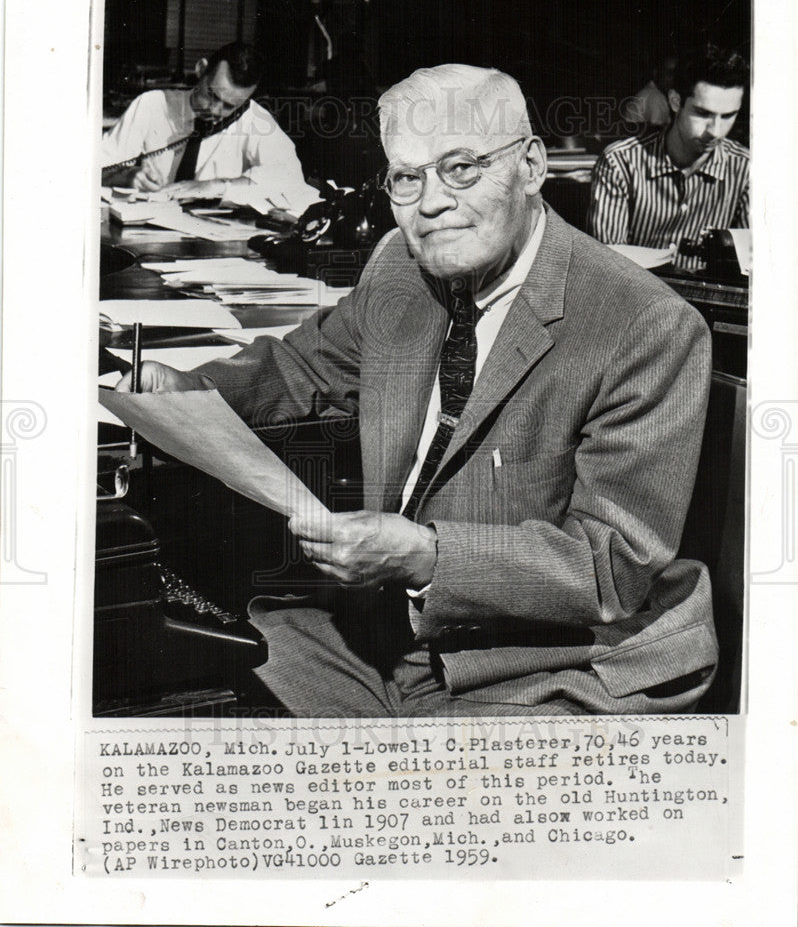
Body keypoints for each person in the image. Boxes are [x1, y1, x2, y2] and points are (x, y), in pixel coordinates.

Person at [118, 64, 717, 717]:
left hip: (559, 662)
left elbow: (613, 568)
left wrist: (425, 557)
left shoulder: (646, 325)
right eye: (407, 177)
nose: (430, 202)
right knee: (189, 682)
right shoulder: (401, 269)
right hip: (393, 638)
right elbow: (295, 373)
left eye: (460, 168)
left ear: (532, 166)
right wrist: (182, 389)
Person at [102, 42, 320, 217]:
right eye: (212, 95)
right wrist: (127, 175)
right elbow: (92, 168)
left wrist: (218, 186)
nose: (215, 110)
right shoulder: (152, 105)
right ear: (201, 69)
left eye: (229, 106)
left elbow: (291, 179)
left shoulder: (254, 120)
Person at [588, 44, 749, 268]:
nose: (716, 130)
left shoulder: (748, 170)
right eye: (703, 113)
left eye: (729, 116)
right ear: (675, 101)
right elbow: (606, 267)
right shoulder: (620, 163)